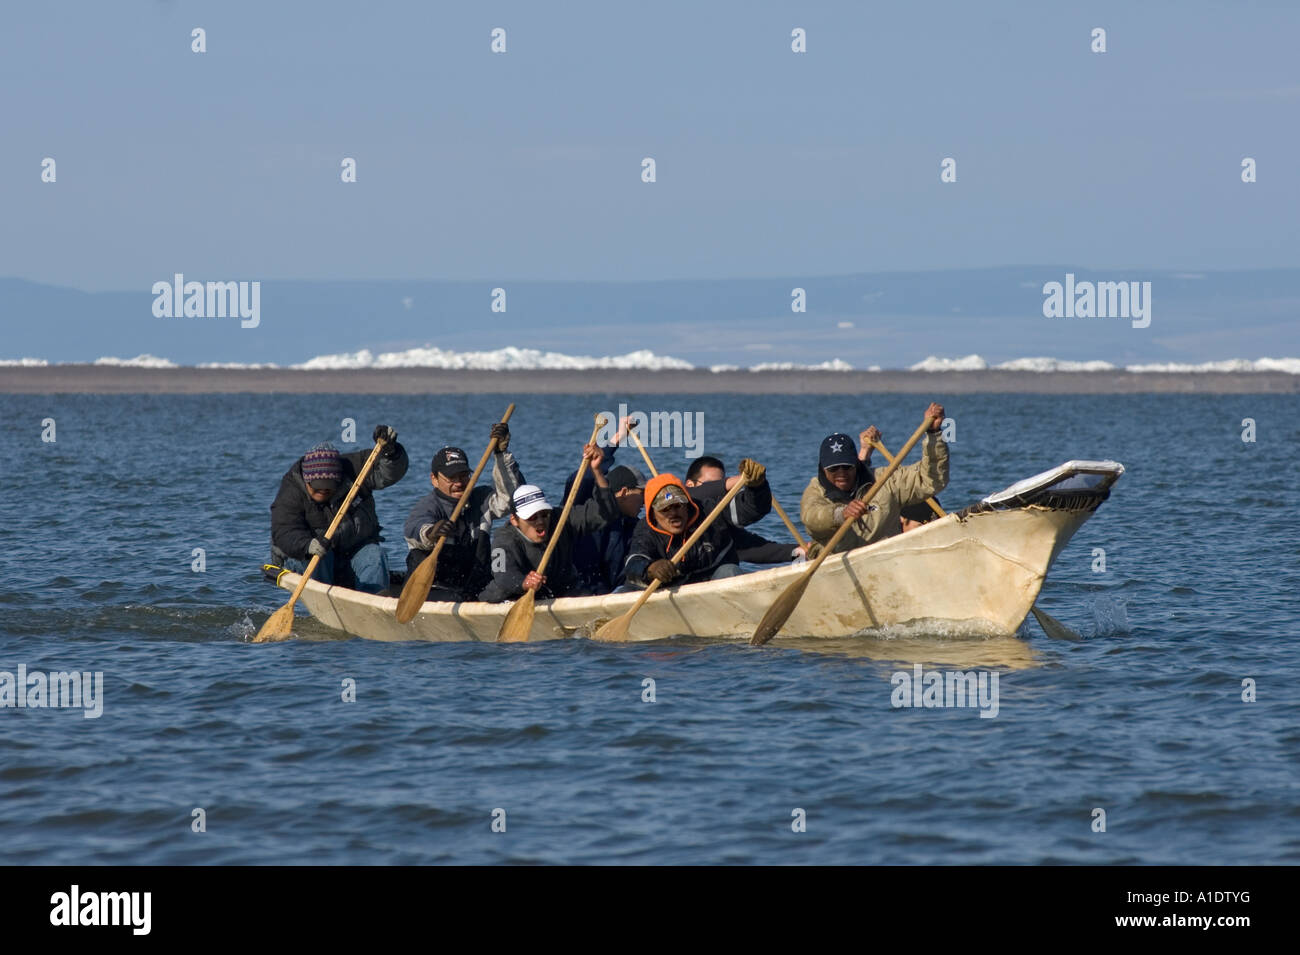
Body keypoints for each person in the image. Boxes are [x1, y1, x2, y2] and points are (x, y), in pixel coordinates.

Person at [270, 426, 409, 593]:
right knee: (321, 556)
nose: (323, 492)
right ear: (306, 481)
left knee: (375, 555)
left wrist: (391, 452)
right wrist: (307, 545)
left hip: (354, 550)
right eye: (317, 488)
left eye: (328, 488)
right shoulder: (291, 490)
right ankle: (323, 596)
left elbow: (389, 473)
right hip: (307, 555)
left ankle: (374, 599)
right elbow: (284, 531)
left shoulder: (356, 469)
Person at [622, 462, 804, 590]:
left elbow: (750, 510)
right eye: (665, 509)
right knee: (625, 589)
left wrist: (757, 488)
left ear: (688, 505)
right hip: (670, 591)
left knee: (730, 570)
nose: (673, 514)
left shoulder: (710, 512)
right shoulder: (645, 529)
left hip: (712, 586)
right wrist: (651, 568)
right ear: (653, 513)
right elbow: (633, 562)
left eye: (678, 505)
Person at [800, 402, 948, 555]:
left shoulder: (885, 481)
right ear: (823, 469)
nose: (841, 472)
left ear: (856, 465)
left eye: (847, 466)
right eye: (834, 468)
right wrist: (841, 513)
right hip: (837, 565)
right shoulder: (815, 490)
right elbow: (811, 517)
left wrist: (934, 434)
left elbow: (931, 480)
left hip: (890, 560)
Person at [478, 443, 618, 602]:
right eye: (531, 517)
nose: (540, 521)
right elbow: (502, 575)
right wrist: (524, 582)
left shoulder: (561, 519)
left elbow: (607, 513)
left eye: (544, 514)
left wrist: (597, 471)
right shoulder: (503, 538)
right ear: (514, 520)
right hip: (511, 596)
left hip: (561, 590)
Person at [402, 423, 523, 602]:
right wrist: (433, 532)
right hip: (435, 588)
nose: (459, 483)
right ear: (434, 480)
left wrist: (501, 455)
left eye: (464, 476)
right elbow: (413, 531)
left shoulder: (481, 498)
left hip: (474, 584)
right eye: (452, 478)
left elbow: (511, 500)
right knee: (417, 556)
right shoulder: (428, 506)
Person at [569, 464, 647, 594]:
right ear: (624, 492)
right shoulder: (593, 521)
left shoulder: (636, 527)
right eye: (642, 493)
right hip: (586, 592)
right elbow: (580, 480)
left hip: (617, 591)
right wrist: (601, 461)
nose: (644, 501)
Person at [683, 455, 773, 526]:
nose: (718, 491)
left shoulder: (723, 509)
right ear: (690, 485)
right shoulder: (678, 504)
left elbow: (750, 510)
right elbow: (691, 493)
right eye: (710, 483)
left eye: (720, 482)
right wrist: (743, 479)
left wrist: (758, 487)